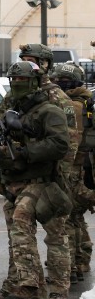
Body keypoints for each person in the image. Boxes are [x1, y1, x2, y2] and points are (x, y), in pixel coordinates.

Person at [0, 43, 80, 299]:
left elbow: (67, 145)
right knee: (17, 235)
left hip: (48, 178)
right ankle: (22, 284)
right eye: (14, 77)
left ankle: (59, 287)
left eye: (30, 64)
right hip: (16, 178)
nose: (18, 83)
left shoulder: (55, 101)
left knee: (55, 233)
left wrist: (59, 180)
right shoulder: (13, 100)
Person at [49, 63, 95, 285]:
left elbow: (71, 142)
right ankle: (81, 260)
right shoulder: (85, 102)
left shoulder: (74, 107)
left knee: (67, 218)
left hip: (75, 168)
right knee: (76, 217)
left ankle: (73, 264)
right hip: (82, 167)